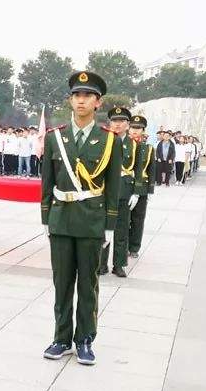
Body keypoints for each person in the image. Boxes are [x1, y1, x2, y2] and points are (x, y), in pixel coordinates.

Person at [42, 71, 122, 366]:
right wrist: (46, 219)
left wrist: (110, 225)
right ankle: (61, 338)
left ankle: (85, 339)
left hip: (91, 221)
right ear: (70, 100)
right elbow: (46, 182)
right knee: (62, 283)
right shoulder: (55, 138)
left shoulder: (109, 140)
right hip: (62, 220)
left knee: (87, 284)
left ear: (98, 103)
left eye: (87, 95)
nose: (81, 100)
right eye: (77, 95)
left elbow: (113, 186)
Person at [98, 106, 144, 278]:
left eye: (121, 121)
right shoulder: (104, 141)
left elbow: (139, 169)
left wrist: (137, 192)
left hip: (125, 190)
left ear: (127, 124)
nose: (117, 124)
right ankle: (101, 264)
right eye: (114, 121)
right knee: (103, 228)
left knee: (122, 229)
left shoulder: (135, 145)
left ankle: (119, 264)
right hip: (105, 190)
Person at [127, 115, 154, 258]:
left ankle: (134, 247)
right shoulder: (122, 144)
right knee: (124, 220)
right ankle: (124, 246)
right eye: (132, 127)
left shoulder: (148, 148)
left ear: (143, 130)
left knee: (138, 219)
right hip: (125, 186)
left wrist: (150, 190)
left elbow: (151, 170)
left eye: (138, 128)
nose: (135, 131)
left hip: (142, 187)